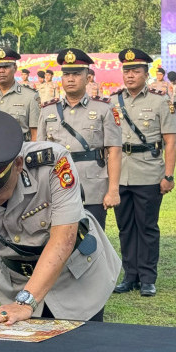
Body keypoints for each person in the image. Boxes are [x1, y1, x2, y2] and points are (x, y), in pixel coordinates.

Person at [0, 111, 121, 323]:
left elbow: (63, 239)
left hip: (75, 279)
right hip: (17, 282)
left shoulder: (52, 163)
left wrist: (25, 303)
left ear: (18, 165)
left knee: (81, 350)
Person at [111, 48, 176, 297]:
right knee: (125, 228)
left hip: (149, 173)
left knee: (147, 227)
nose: (130, 75)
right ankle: (130, 276)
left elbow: (170, 141)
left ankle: (148, 278)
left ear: (145, 74)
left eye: (135, 71)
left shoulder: (160, 102)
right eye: (126, 71)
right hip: (120, 174)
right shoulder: (114, 101)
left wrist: (168, 175)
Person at [0, 47, 41, 284]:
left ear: (15, 69)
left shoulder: (29, 96)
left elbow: (35, 135)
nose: (1, 71)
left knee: (19, 214)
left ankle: (22, 260)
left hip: (18, 163)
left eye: (5, 67)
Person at [37, 49, 122, 229]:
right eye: (66, 74)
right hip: (56, 186)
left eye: (76, 74)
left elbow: (114, 151)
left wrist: (113, 190)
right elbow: (40, 153)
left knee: (93, 239)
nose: (70, 79)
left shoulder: (104, 109)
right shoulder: (47, 110)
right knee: (58, 241)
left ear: (87, 77)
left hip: (93, 187)